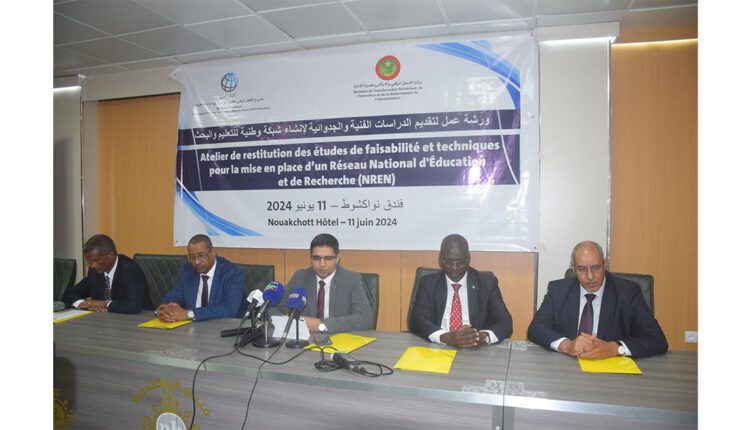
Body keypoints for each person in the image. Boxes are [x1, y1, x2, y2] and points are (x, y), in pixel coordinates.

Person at [527, 240, 668, 359]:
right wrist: (566, 345)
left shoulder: (627, 292)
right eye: (582, 269)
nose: (590, 276)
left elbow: (657, 340)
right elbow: (536, 329)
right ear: (573, 267)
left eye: (596, 268)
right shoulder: (558, 291)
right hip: (568, 368)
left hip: (612, 372)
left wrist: (615, 349)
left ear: (604, 264)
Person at [409, 234, 513, 348]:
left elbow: (505, 324)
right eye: (448, 261)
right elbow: (416, 320)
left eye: (461, 262)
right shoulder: (428, 283)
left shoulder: (486, 283)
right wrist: (446, 337)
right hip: (438, 347)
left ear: (469, 258)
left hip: (475, 349)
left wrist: (483, 337)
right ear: (440, 259)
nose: (454, 267)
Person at [278, 233, 372, 333]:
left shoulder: (351, 280)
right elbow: (275, 308)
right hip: (306, 338)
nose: (322, 264)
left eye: (328, 258)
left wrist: (321, 325)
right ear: (311, 259)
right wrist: (284, 323)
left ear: (337, 258)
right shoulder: (300, 277)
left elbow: (364, 318)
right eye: (316, 258)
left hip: (337, 337)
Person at [157, 234, 244, 322]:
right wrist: (165, 309)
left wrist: (189, 314)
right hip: (190, 327)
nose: (196, 262)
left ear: (213, 253)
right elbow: (173, 296)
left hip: (220, 327)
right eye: (192, 257)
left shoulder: (232, 273)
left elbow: (229, 309)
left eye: (201, 255)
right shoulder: (187, 271)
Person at [62, 234, 147, 314]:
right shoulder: (94, 271)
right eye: (89, 262)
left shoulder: (130, 269)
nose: (92, 266)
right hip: (105, 319)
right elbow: (70, 294)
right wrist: (84, 304)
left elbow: (133, 306)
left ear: (110, 255)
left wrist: (104, 303)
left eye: (96, 261)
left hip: (137, 320)